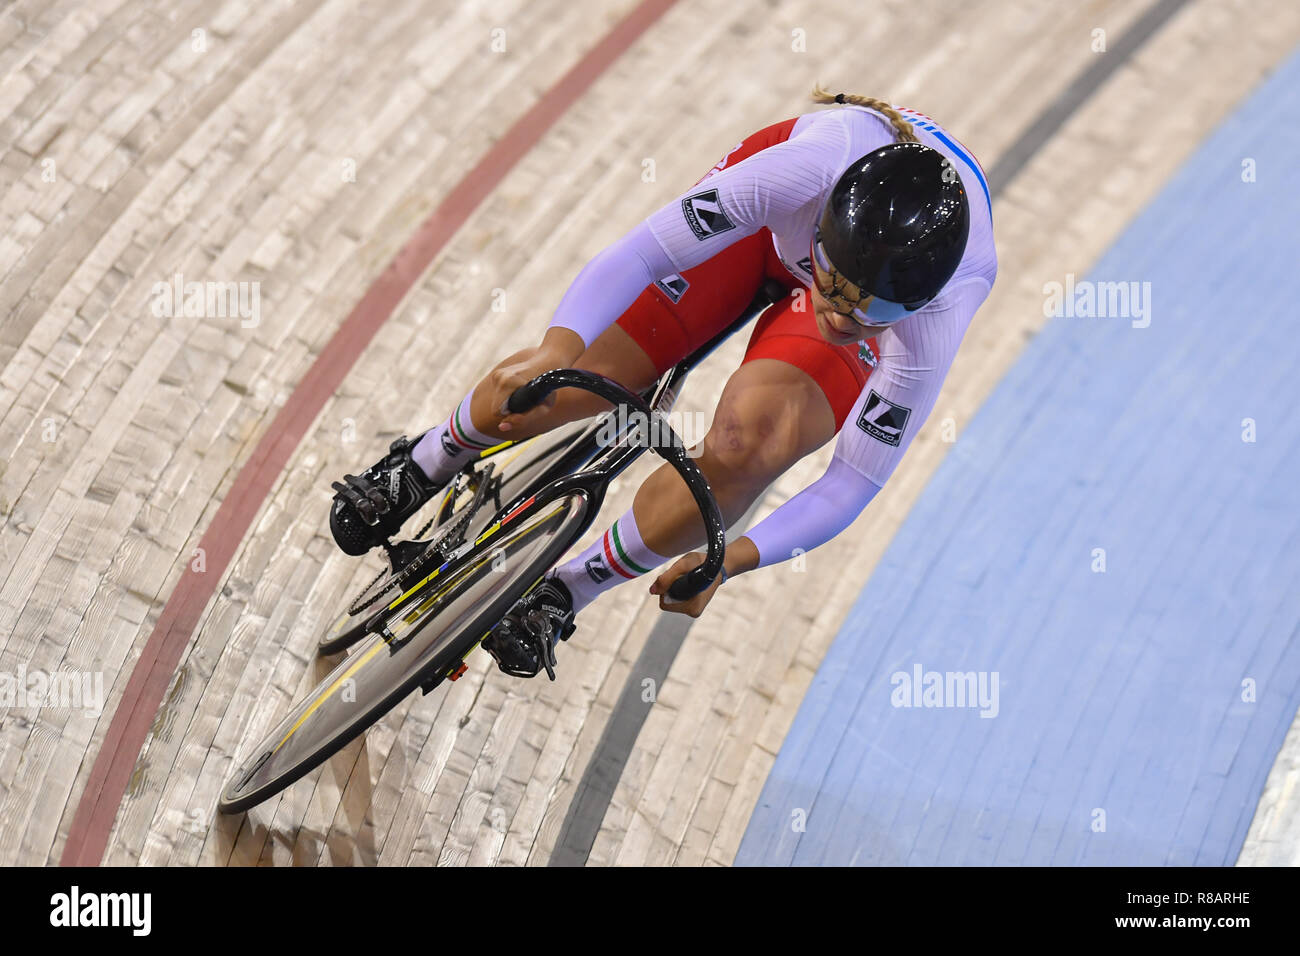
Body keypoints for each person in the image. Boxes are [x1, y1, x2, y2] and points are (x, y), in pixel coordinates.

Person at [328, 86, 997, 679]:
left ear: (916, 307)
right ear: (822, 233)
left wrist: (732, 558)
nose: (839, 313)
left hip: (833, 249)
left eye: (871, 313)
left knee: (754, 443)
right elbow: (643, 253)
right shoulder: (796, 175)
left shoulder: (946, 302)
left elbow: (853, 481)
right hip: (768, 227)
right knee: (573, 380)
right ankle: (425, 461)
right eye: (832, 285)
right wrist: (554, 348)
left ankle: (567, 591)